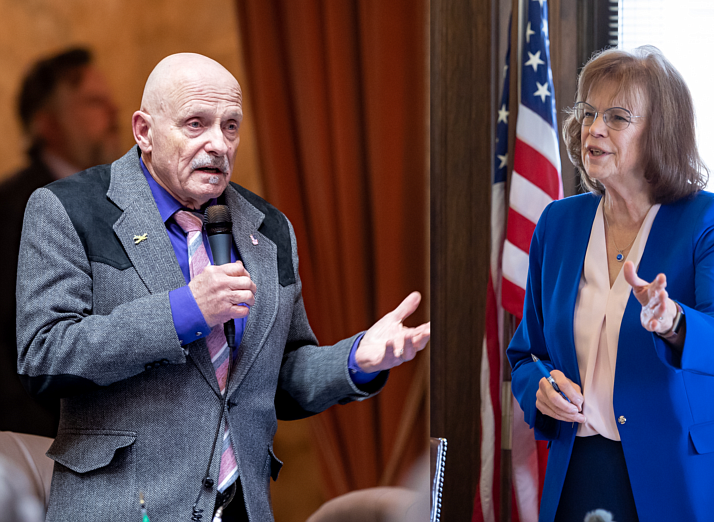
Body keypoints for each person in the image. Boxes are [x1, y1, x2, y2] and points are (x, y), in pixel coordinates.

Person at [15, 53, 429, 521]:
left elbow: (280, 377)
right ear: (144, 131)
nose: (218, 144)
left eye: (231, 126)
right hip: (126, 508)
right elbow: (44, 356)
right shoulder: (67, 210)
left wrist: (355, 359)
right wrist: (184, 311)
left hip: (241, 508)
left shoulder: (269, 228)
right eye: (196, 124)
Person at [507, 46, 714, 522]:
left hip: (688, 469)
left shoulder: (710, 220)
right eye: (588, 113)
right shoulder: (558, 223)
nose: (593, 129)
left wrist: (673, 321)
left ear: (659, 132)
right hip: (582, 468)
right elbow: (526, 352)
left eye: (616, 117)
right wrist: (541, 385)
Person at [0, 47, 120, 437]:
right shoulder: (14, 207)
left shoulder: (120, 194)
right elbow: (23, 344)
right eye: (92, 102)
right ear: (47, 124)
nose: (113, 111)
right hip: (57, 442)